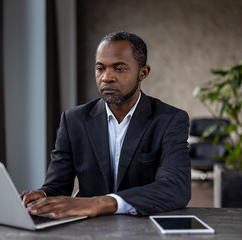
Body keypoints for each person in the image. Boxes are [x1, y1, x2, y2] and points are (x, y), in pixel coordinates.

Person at [21, 31, 191, 218]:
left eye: (119, 69)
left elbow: (176, 188)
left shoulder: (170, 119)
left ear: (143, 73)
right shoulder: (73, 120)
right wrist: (43, 195)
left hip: (143, 225)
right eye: (100, 68)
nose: (106, 77)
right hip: (88, 228)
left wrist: (102, 202)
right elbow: (58, 185)